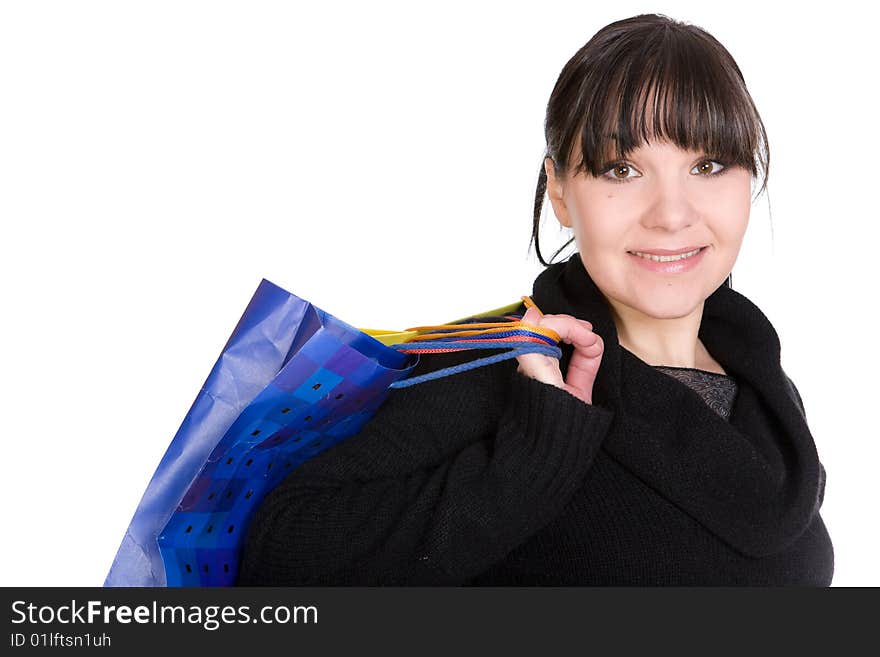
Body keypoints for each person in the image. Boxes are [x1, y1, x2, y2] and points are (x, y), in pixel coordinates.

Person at [236, 13, 833, 586]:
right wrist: (536, 450)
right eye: (622, 170)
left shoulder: (759, 378)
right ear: (562, 193)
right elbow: (278, 555)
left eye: (707, 164)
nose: (672, 215)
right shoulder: (508, 365)